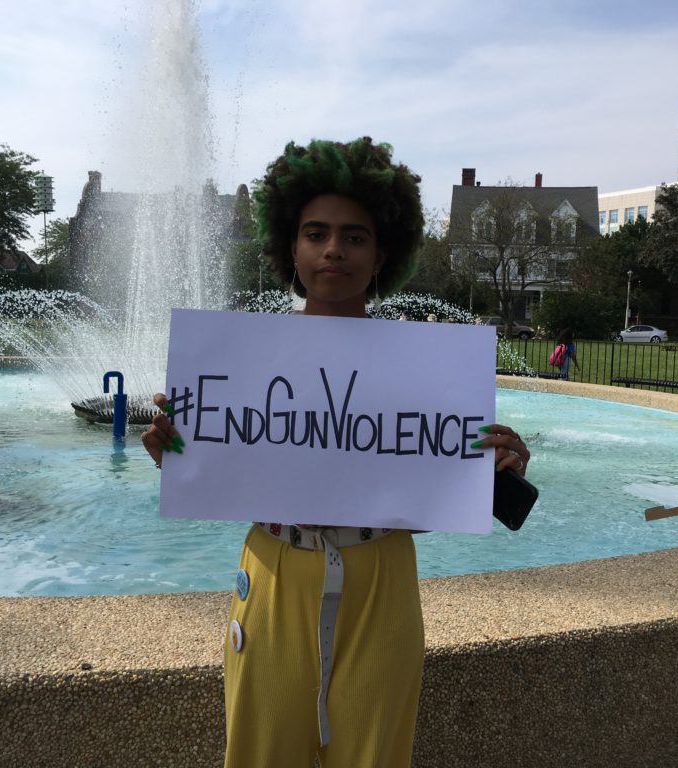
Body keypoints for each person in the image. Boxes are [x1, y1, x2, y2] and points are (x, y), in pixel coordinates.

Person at [141, 137, 532, 768]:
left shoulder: (426, 368)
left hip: (382, 576)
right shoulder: (238, 360)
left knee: (376, 756)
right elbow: (239, 465)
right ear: (290, 247)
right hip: (274, 570)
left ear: (381, 254)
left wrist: (483, 473)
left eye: (355, 236)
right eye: (315, 233)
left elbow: (410, 492)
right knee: (261, 754)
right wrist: (182, 456)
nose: (333, 249)